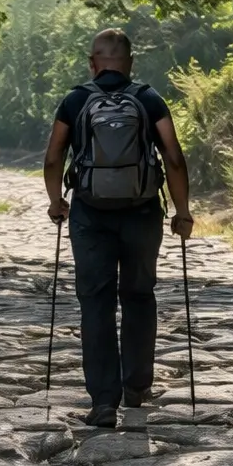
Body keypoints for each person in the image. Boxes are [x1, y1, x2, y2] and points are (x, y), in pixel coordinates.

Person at [43, 28, 192, 428]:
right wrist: (183, 211)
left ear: (92, 62)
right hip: (142, 213)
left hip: (90, 215)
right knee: (140, 296)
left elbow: (55, 154)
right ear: (130, 62)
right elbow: (174, 157)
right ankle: (136, 387)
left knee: (96, 302)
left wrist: (57, 201)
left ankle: (104, 402)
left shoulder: (75, 100)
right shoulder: (148, 99)